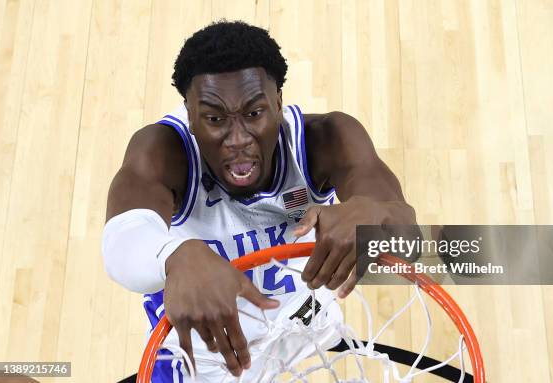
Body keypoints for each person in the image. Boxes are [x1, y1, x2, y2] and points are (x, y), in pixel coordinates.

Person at [102, 20, 417, 382]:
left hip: (304, 332)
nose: (237, 139)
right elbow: (120, 241)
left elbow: (407, 234)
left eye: (254, 113)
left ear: (279, 102)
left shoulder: (326, 140)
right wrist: (172, 256)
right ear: (189, 114)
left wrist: (376, 213)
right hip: (204, 358)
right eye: (215, 118)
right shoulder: (163, 151)